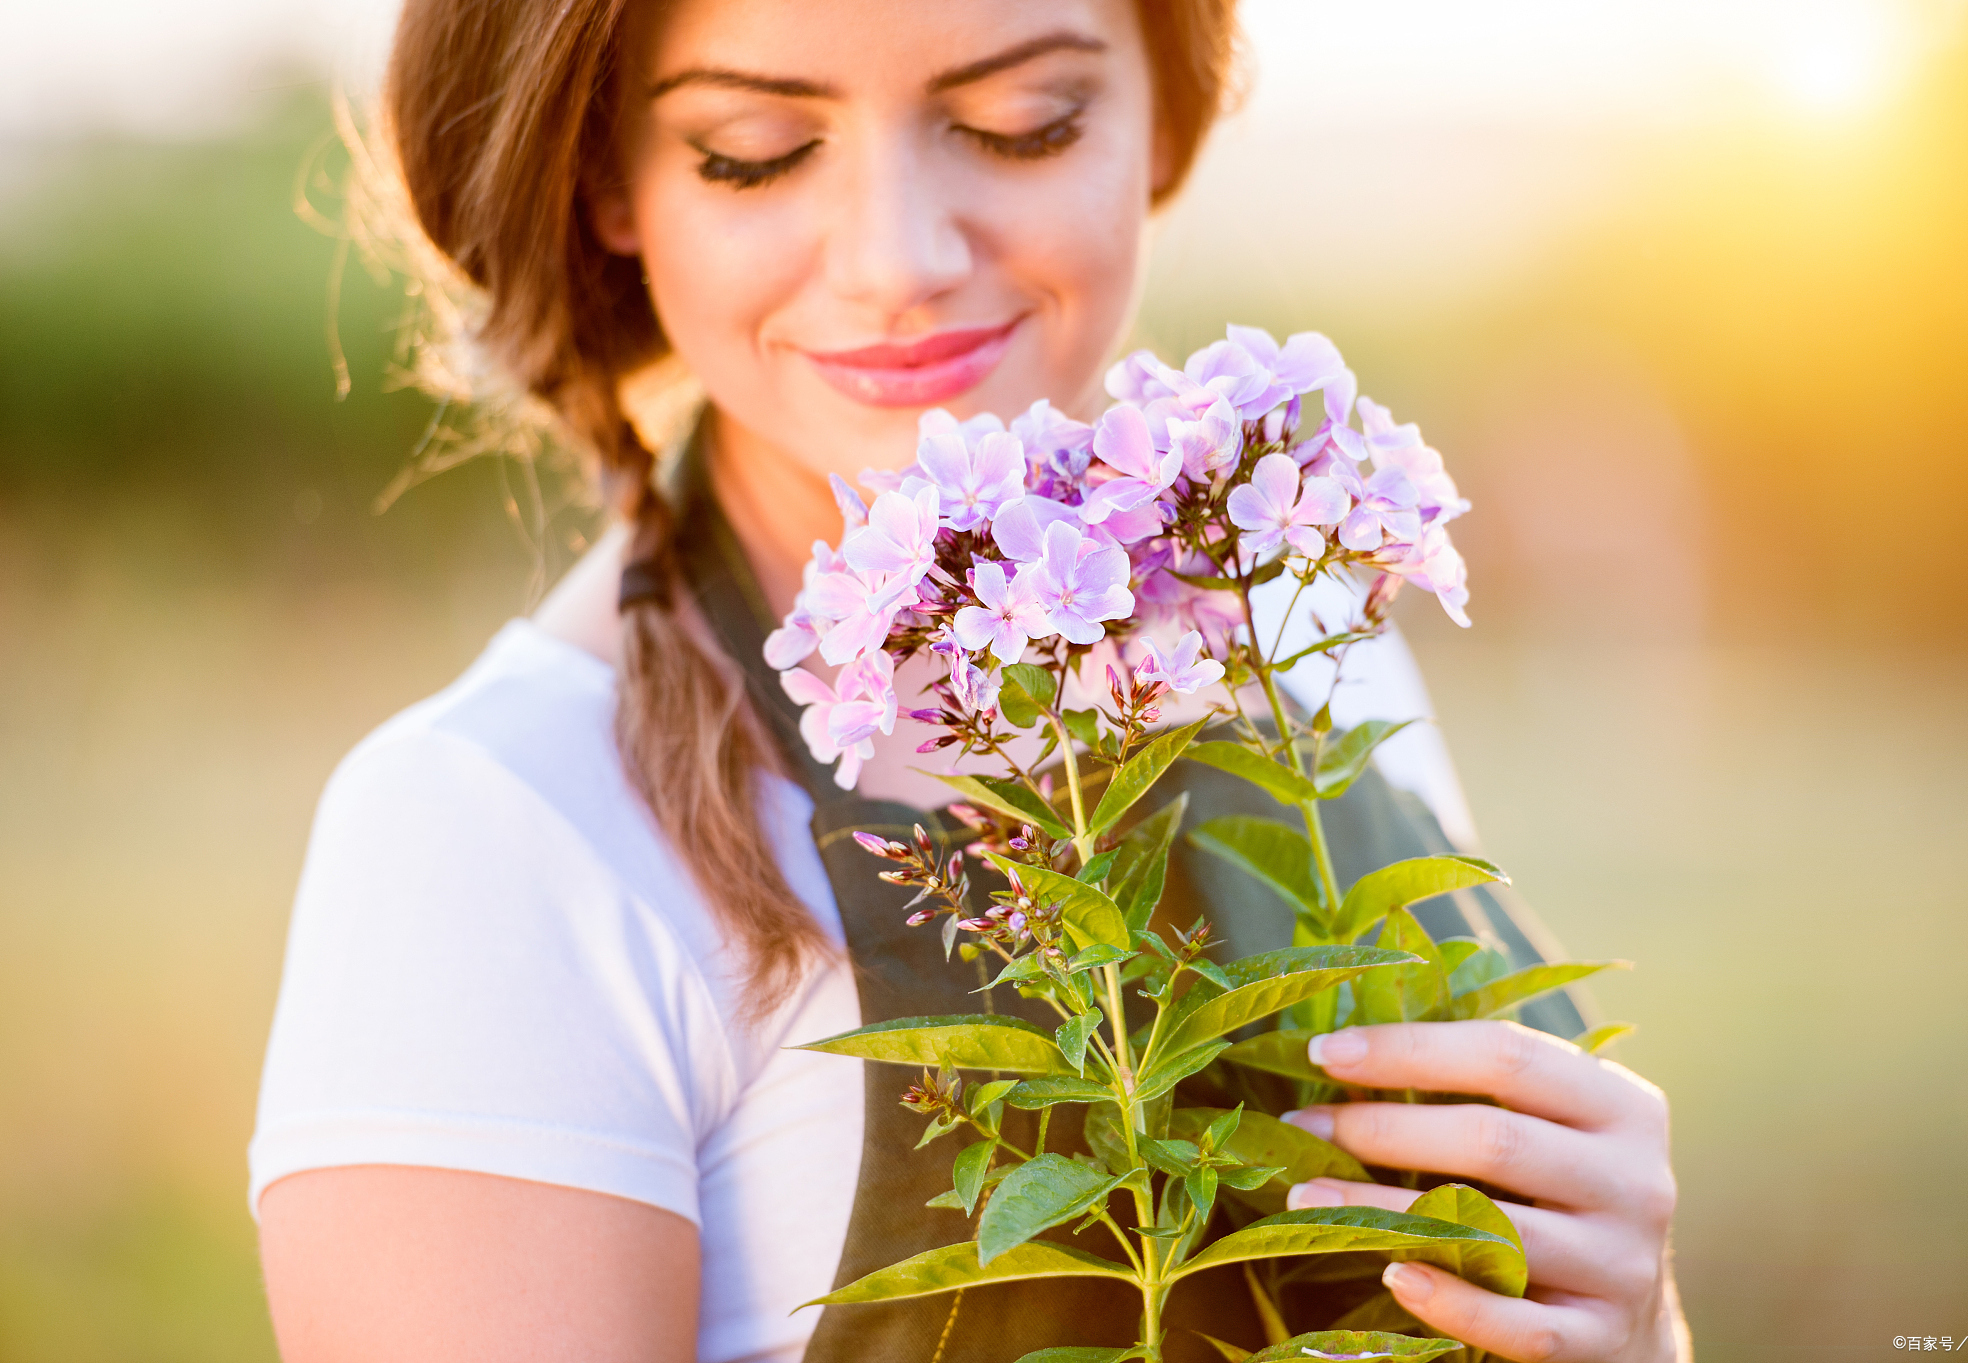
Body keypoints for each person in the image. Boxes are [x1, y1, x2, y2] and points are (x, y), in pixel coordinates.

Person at [250, 1, 1691, 1359]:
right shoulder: (490, 834)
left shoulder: (1308, 619)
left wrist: (1632, 1326)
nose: (897, 257)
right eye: (751, 151)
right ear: (611, 178)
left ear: (1164, 122)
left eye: (1023, 122)